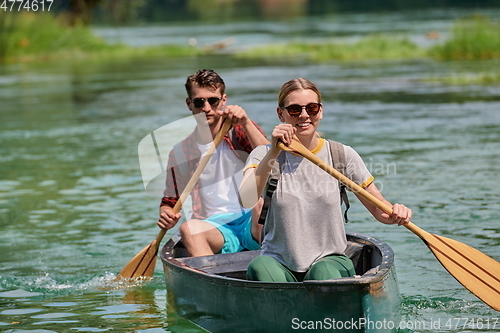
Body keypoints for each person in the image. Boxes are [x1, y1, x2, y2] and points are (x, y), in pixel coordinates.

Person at [239, 78, 412, 282]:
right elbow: (246, 199)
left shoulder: (341, 154)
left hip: (330, 261)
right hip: (278, 262)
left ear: (320, 111)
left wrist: (396, 213)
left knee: (322, 274)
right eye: (295, 110)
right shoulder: (263, 155)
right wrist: (274, 151)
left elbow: (378, 209)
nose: (304, 115)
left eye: (312, 108)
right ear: (281, 114)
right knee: (259, 267)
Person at [158, 69, 269, 257]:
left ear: (223, 100)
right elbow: (170, 201)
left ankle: (274, 262)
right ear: (189, 104)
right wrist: (166, 213)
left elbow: (271, 159)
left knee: (260, 205)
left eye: (213, 101)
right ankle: (210, 276)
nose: (206, 108)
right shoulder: (180, 153)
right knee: (189, 229)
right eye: (199, 102)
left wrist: (246, 122)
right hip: (214, 226)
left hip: (251, 221)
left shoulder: (240, 131)